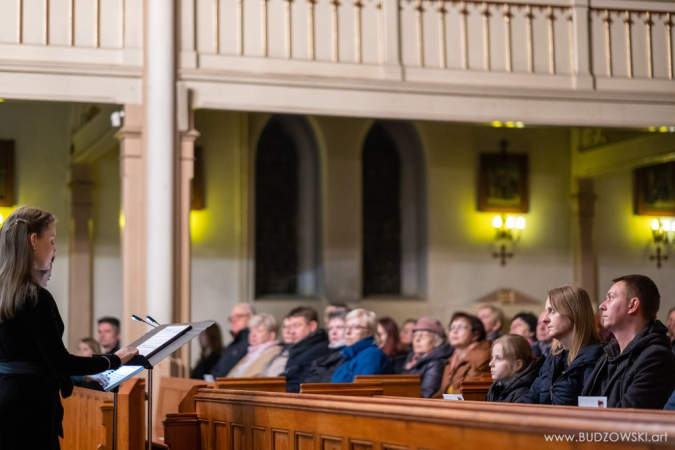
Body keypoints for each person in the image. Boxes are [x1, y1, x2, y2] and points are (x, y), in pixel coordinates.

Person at [0, 207, 138, 450]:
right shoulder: (35, 298)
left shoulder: (5, 295)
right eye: (51, 240)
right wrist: (113, 360)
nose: (54, 249)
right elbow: (60, 362)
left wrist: (83, 373)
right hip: (31, 405)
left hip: (7, 396)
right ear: (34, 240)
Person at [582, 275, 675, 409]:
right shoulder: (608, 354)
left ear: (632, 305)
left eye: (611, 297)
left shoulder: (656, 358)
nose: (602, 305)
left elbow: (628, 418)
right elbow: (585, 404)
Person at [519, 284, 602, 406]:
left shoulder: (594, 358)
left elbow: (592, 411)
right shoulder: (553, 358)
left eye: (552, 311)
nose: (545, 319)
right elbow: (530, 399)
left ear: (573, 314)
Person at [436, 312, 491, 396]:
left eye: (461, 327)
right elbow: (443, 392)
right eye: (452, 327)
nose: (454, 331)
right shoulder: (452, 359)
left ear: (475, 335)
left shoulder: (481, 358)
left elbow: (466, 394)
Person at [331, 309, 392, 382]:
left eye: (355, 327)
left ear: (369, 332)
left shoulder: (372, 355)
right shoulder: (348, 355)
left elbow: (362, 389)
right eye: (345, 327)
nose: (347, 332)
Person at [403, 317, 453, 398]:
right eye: (415, 336)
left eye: (422, 336)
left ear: (435, 340)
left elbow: (426, 395)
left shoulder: (436, 363)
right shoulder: (412, 358)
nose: (417, 339)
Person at [283, 306, 328, 392]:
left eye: (296, 326)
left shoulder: (319, 350)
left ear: (312, 326)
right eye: (290, 326)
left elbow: (303, 384)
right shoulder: (298, 347)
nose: (291, 331)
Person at [487, 334, 544, 403]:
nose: (490, 364)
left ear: (517, 365)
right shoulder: (495, 389)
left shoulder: (523, 395)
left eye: (498, 358)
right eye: (492, 358)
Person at [228, 313, 281, 377]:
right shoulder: (250, 354)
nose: (253, 335)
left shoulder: (275, 353)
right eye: (251, 331)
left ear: (271, 335)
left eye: (259, 331)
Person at [210, 303, 254, 377]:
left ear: (251, 317)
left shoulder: (253, 342)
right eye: (231, 318)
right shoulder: (230, 346)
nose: (233, 320)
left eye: (239, 316)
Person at [305, 310, 348, 383]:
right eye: (330, 328)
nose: (334, 332)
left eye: (339, 327)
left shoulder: (348, 355)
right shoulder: (323, 354)